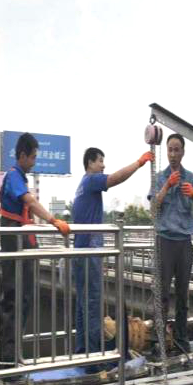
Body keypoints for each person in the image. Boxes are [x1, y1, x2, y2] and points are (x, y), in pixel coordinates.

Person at [71, 147, 154, 355]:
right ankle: (93, 357)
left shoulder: (82, 185)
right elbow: (115, 178)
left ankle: (82, 352)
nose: (103, 165)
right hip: (90, 251)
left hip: (81, 250)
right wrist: (139, 163)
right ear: (90, 163)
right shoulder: (91, 180)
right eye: (100, 161)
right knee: (92, 305)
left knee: (82, 304)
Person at [0, 133, 70, 364]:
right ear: (22, 155)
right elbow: (29, 202)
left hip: (21, 235)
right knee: (14, 295)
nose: (34, 162)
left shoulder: (19, 176)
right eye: (32, 157)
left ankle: (14, 354)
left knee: (25, 295)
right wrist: (53, 220)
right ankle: (8, 358)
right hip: (14, 236)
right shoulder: (13, 176)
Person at [151, 133, 193, 352]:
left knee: (183, 294)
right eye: (170, 150)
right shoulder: (159, 178)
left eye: (177, 150)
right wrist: (166, 186)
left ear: (183, 152)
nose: (173, 154)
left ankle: (182, 341)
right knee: (162, 293)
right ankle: (160, 341)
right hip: (164, 241)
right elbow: (153, 209)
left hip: (184, 242)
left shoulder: (191, 178)